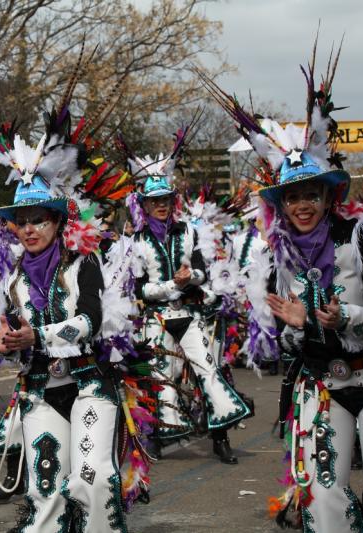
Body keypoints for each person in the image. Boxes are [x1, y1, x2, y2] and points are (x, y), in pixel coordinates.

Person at [210, 44, 363, 532]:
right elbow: (287, 338)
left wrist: (344, 318)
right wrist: (297, 328)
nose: (301, 205)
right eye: (292, 196)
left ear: (327, 195)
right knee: (321, 498)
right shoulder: (281, 256)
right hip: (322, 386)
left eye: (309, 194)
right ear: (282, 204)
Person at [0, 105, 134, 532]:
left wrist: (34, 337)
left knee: (92, 482)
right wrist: (2, 343)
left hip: (90, 385)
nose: (28, 229)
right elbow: (14, 337)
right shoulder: (12, 282)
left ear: (58, 220)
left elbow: (90, 320)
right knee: (44, 489)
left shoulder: (84, 263)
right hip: (41, 391)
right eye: (20, 222)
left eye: (38, 219)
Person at [121, 127, 251, 464]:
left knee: (207, 370)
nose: (161, 206)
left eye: (165, 200)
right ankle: (162, 437)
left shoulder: (188, 230)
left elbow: (201, 271)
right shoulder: (134, 242)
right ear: (144, 205)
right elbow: (138, 289)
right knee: (161, 376)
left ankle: (220, 438)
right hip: (157, 317)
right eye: (154, 202)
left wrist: (189, 277)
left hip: (189, 315)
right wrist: (170, 286)